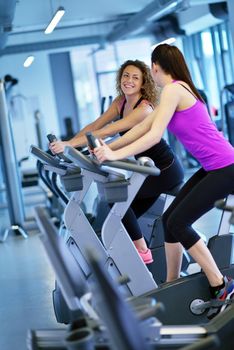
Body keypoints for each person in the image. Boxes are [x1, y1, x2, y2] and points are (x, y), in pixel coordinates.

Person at [93, 44, 234, 319]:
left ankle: (221, 284)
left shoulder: (173, 90)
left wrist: (114, 153)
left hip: (226, 167)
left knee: (179, 223)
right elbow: (142, 128)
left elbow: (154, 136)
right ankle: (172, 285)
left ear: (156, 66)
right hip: (215, 166)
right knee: (170, 219)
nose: (151, 76)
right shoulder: (176, 91)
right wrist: (107, 149)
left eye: (151, 70)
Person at [50, 59, 184, 264]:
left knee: (117, 199)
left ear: (143, 83)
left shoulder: (144, 109)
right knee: (116, 217)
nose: (129, 80)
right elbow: (96, 125)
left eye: (135, 77)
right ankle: (129, 259)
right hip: (146, 169)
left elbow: (108, 130)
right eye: (126, 75)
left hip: (164, 170)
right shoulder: (120, 102)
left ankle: (143, 252)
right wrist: (69, 145)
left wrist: (68, 145)